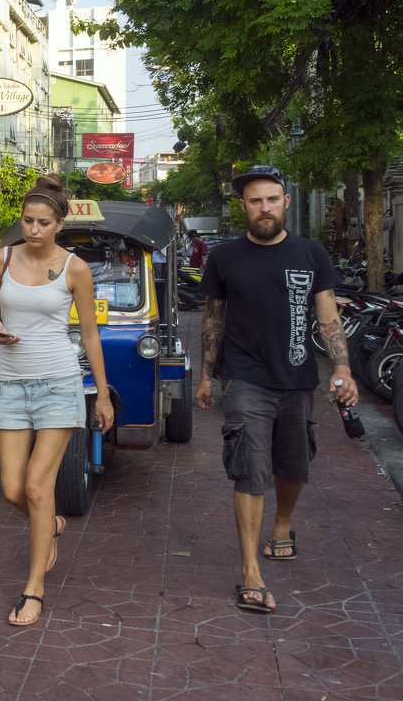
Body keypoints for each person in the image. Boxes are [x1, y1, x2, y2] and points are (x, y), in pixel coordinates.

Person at [194, 164, 357, 615]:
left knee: (294, 462)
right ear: (243, 207)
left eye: (271, 199)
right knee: (249, 464)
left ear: (285, 202)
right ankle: (250, 569)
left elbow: (328, 316)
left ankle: (282, 523)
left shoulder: (311, 254)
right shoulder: (224, 257)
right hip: (244, 377)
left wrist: (342, 368)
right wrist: (207, 375)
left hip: (299, 375)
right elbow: (213, 319)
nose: (263, 208)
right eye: (254, 201)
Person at [0, 174, 114, 626]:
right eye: (27, 221)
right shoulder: (1, 258)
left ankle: (33, 588)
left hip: (59, 382)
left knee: (39, 486)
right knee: (12, 489)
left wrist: (102, 395)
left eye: (42, 223)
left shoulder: (76, 268)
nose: (32, 230)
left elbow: (90, 334)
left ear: (59, 224)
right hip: (13, 385)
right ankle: (51, 523)